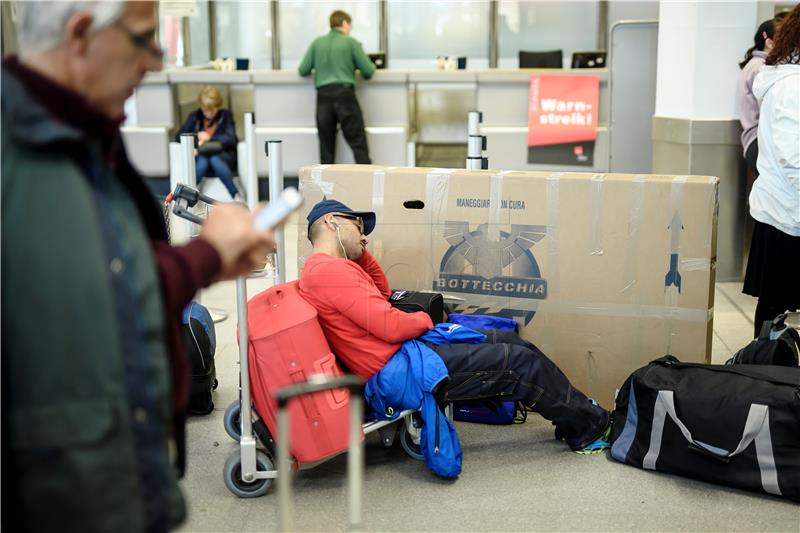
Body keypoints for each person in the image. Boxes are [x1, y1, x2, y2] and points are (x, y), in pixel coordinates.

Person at [1, 2, 275, 532]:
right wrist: (207, 255)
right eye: (144, 41)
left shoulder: (86, 139)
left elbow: (105, 261)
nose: (155, 63)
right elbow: (97, 302)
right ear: (81, 35)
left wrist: (203, 262)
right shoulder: (27, 152)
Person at [298, 199, 611, 456]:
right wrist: (430, 320)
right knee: (519, 364)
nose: (365, 236)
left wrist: (359, 249)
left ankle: (576, 415)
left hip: (405, 355)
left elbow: (381, 294)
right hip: (400, 370)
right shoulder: (330, 273)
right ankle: (590, 428)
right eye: (359, 226)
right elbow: (392, 326)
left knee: (512, 343)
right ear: (332, 221)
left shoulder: (330, 270)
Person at [743, 4, 800, 338]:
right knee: (774, 308)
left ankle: (767, 372)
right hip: (788, 213)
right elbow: (793, 158)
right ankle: (764, 375)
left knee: (774, 304)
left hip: (783, 210)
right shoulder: (792, 88)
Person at [298, 10, 376, 164]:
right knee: (358, 143)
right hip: (344, 95)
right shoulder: (350, 42)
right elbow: (368, 71)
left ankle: (324, 187)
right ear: (345, 24)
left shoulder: (317, 43)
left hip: (323, 97)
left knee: (326, 147)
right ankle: (367, 184)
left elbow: (303, 70)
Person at [175, 85, 241, 201]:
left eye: (213, 110)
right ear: (201, 107)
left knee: (213, 158)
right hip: (201, 157)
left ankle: (187, 194)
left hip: (223, 156)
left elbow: (230, 138)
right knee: (206, 158)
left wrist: (209, 138)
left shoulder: (225, 115)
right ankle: (235, 195)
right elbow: (178, 136)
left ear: (218, 106)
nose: (209, 113)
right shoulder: (194, 116)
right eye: (206, 110)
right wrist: (197, 136)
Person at [737, 19, 776, 177]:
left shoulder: (755, 64)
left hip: (755, 142)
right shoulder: (761, 68)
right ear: (769, 42)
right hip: (759, 142)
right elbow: (769, 110)